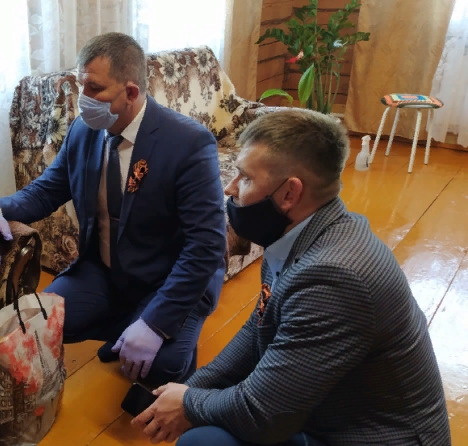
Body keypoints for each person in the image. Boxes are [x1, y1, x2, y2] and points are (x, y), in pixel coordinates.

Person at [131, 109, 451, 445]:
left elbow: (263, 416)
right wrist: (191, 388)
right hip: (328, 408)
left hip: (372, 436)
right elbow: (258, 327)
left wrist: (190, 405)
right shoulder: (306, 233)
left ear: (289, 193)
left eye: (245, 178)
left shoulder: (333, 278)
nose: (230, 187)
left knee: (202, 442)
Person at [0, 32, 227, 388]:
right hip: (105, 271)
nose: (83, 98)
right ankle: (128, 327)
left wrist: (155, 323)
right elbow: (47, 190)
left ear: (131, 92)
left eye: (94, 88)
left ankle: (158, 330)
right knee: (43, 324)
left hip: (166, 279)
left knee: (162, 366)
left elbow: (206, 247)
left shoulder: (188, 143)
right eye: (81, 85)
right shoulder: (85, 130)